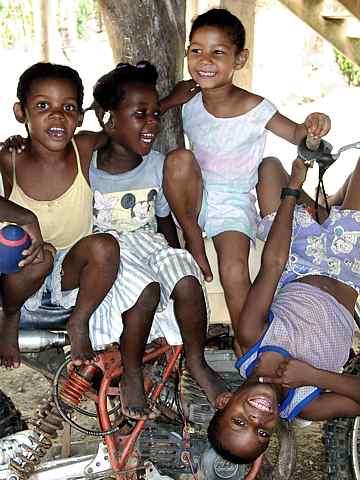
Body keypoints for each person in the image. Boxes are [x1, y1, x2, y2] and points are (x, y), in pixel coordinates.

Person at [160, 8, 331, 354]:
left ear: (240, 59)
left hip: (232, 203)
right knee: (178, 160)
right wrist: (166, 101)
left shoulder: (256, 108)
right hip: (193, 196)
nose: (204, 61)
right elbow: (150, 111)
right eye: (196, 51)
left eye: (218, 53)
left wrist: (313, 123)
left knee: (235, 269)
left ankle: (247, 345)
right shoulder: (189, 97)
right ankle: (193, 237)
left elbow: (296, 132)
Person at [85, 61, 228, 421]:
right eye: (140, 115)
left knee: (186, 277)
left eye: (155, 114)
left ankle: (196, 361)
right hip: (112, 250)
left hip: (150, 243)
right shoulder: (88, 164)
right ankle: (133, 372)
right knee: (145, 291)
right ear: (108, 119)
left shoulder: (156, 164)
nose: (152, 123)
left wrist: (177, 255)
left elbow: (163, 219)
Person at [206, 154, 360, 465]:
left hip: (300, 260)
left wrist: (292, 188)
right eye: (263, 432)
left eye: (240, 421)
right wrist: (314, 375)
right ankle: (326, 210)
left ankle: (320, 208)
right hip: (350, 265)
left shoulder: (251, 342)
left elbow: (273, 265)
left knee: (270, 168)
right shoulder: (307, 404)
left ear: (224, 401)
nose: (257, 419)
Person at [0, 62, 120, 369]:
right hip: (19, 274)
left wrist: (168, 102)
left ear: (80, 117)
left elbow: (125, 124)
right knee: (38, 252)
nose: (57, 115)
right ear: (20, 113)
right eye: (42, 106)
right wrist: (26, 217)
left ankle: (79, 322)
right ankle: (9, 318)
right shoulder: (9, 157)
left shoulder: (84, 147)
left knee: (105, 245)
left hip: (70, 278)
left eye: (68, 107)